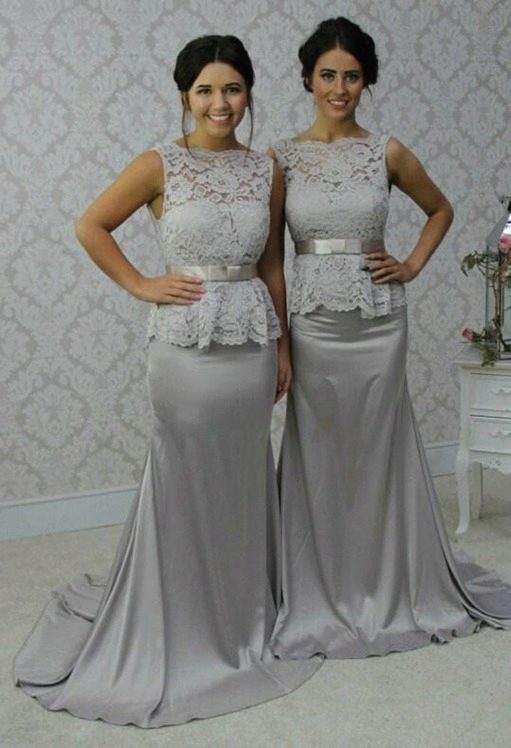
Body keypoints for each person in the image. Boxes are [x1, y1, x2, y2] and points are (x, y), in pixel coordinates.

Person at [14, 35, 320, 727]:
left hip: (250, 342)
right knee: (183, 476)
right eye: (206, 90)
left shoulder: (265, 170)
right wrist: (141, 283)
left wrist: (282, 345)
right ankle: (177, 616)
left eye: (232, 88)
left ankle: (241, 611)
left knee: (243, 476)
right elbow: (92, 226)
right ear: (185, 95)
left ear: (249, 93)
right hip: (184, 350)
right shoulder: (160, 162)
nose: (220, 103)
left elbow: (273, 263)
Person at [269, 17, 511, 660]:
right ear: (308, 79)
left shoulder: (386, 150)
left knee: (379, 448)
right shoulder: (282, 158)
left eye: (352, 76)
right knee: (318, 452)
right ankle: (319, 582)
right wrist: (280, 341)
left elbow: (441, 209)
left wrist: (409, 264)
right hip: (314, 323)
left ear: (367, 82)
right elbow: (273, 259)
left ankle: (388, 580)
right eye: (328, 75)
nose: (340, 88)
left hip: (379, 320)